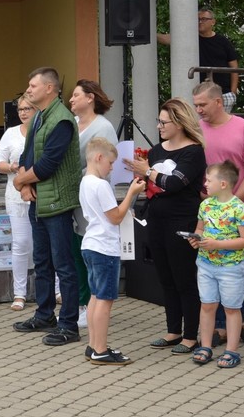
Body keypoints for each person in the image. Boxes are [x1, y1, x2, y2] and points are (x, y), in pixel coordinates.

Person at [124, 98, 207, 354]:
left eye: (164, 122)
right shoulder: (157, 151)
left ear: (179, 123)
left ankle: (191, 336)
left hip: (182, 221)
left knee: (184, 278)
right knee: (165, 277)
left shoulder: (194, 152)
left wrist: (148, 171)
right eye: (158, 122)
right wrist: (139, 176)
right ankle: (173, 331)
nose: (159, 126)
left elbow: (174, 183)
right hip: (156, 220)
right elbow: (153, 184)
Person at [12, 67, 82, 346]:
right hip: (39, 200)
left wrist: (20, 180)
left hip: (57, 202)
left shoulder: (62, 120)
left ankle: (69, 325)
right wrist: (25, 185)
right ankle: (44, 315)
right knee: (42, 262)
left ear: (49, 88)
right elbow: (27, 156)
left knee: (64, 265)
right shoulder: (40, 116)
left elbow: (48, 164)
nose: (28, 90)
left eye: (33, 86)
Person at [192, 80, 244, 346]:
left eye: (202, 104)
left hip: (236, 212)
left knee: (240, 270)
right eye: (195, 105)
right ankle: (221, 325)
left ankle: (235, 320)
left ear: (218, 101)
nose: (198, 110)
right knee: (210, 269)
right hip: (205, 209)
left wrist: (231, 202)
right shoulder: (195, 130)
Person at [80, 137, 146, 365]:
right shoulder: (101, 185)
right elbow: (115, 217)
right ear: (99, 158)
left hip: (90, 244)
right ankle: (100, 349)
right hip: (104, 248)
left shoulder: (85, 181)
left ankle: (93, 346)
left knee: (95, 296)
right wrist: (131, 193)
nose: (111, 169)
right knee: (105, 299)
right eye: (110, 163)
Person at [0, 94, 59, 310]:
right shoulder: (11, 133)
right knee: (21, 243)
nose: (22, 113)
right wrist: (12, 167)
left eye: (27, 109)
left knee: (50, 244)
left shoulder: (46, 130)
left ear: (37, 110)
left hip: (44, 195)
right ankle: (19, 294)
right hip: (17, 196)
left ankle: (57, 290)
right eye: (20, 109)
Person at [188, 160, 244, 369]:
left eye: (209, 180)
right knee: (207, 305)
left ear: (223, 184)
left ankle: (232, 351)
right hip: (205, 265)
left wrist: (217, 244)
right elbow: (200, 228)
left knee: (232, 309)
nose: (205, 183)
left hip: (231, 268)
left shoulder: (240, 209)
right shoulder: (206, 205)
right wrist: (195, 239)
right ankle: (205, 346)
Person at [69, 79, 119, 329]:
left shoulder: (103, 127)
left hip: (91, 196)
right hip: (72, 195)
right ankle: (83, 303)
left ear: (90, 98)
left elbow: (104, 166)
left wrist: (74, 180)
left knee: (87, 247)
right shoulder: (72, 124)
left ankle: (90, 304)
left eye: (76, 95)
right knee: (76, 249)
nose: (71, 99)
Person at [158, 7, 239, 111]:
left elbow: (234, 68)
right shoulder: (190, 39)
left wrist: (233, 92)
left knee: (221, 121)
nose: (200, 22)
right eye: (198, 19)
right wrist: (150, 33)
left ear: (213, 22)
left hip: (223, 95)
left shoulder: (223, 42)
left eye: (204, 19)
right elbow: (167, 39)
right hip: (199, 95)